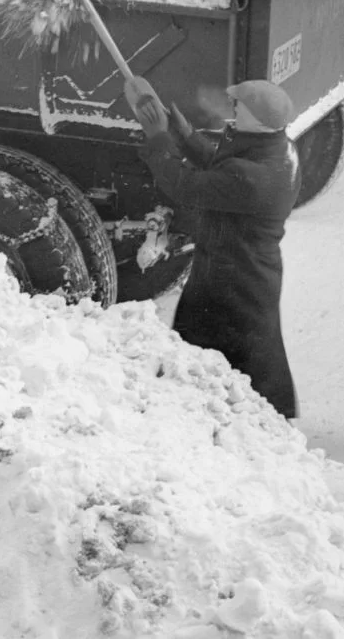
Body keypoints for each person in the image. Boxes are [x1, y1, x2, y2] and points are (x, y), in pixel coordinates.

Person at [121, 73, 299, 419]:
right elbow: (226, 164)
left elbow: (186, 185)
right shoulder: (278, 148)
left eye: (239, 105)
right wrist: (186, 136)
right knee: (247, 350)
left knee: (234, 353)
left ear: (257, 119)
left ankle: (255, 420)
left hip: (235, 277)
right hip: (245, 268)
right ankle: (249, 411)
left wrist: (159, 139)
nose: (232, 108)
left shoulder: (253, 178)